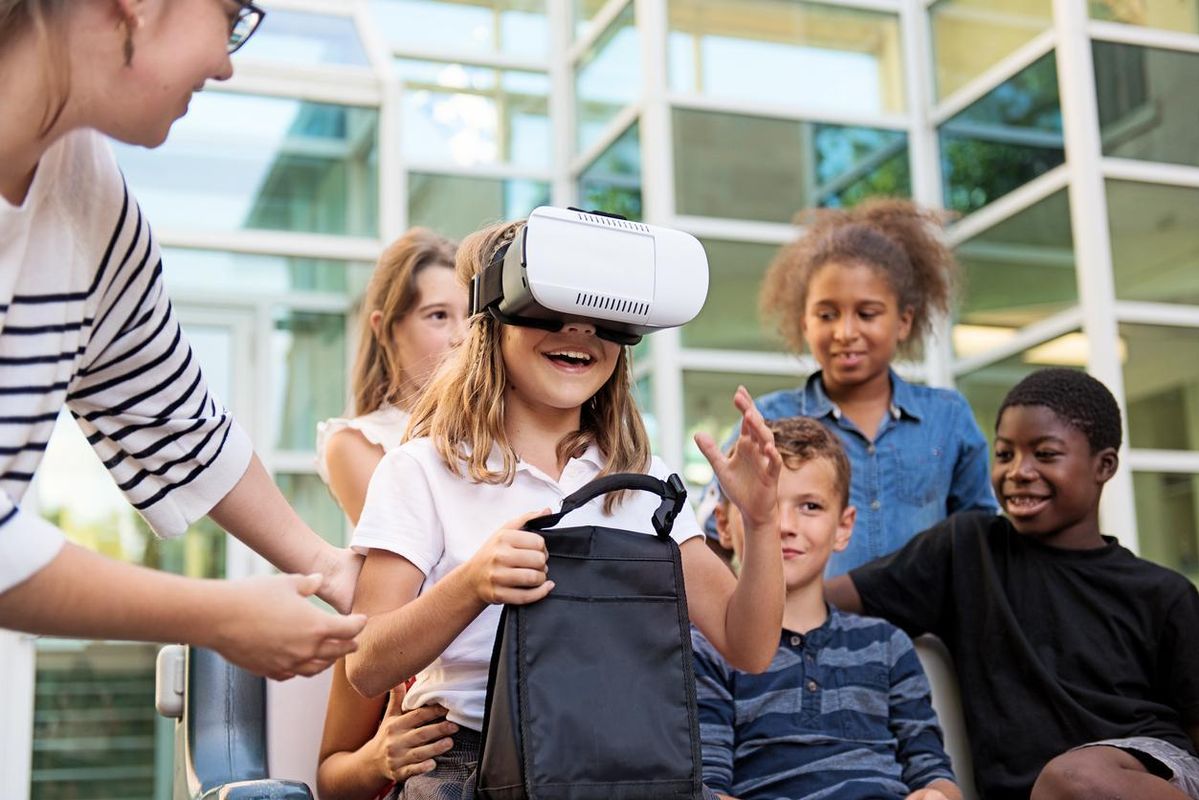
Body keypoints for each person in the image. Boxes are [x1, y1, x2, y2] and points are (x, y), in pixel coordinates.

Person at [343, 219, 785, 799]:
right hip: (468, 763)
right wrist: (472, 584)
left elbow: (746, 645)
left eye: (602, 316)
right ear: (492, 322)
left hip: (625, 762)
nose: (578, 329)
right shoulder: (421, 470)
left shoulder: (645, 487)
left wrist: (760, 521)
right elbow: (366, 665)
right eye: (550, 307)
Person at [0, 0, 365, 680]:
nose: (226, 64)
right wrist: (216, 615)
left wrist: (331, 567)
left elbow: (172, 421)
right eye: (230, 18)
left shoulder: (89, 197)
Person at [828, 368, 1199, 800]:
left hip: (1146, 771)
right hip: (1036, 790)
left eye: (1045, 454)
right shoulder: (966, 550)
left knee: (1074, 779)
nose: (1019, 471)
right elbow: (818, 602)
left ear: (1104, 465)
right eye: (1005, 454)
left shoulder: (1163, 593)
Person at [700, 199, 997, 576]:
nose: (845, 332)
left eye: (867, 314)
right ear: (804, 323)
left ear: (904, 321)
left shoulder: (947, 418)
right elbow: (712, 538)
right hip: (797, 632)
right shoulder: (767, 422)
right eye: (827, 315)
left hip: (924, 635)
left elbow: (980, 542)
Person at [695, 416, 960, 800]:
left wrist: (936, 796)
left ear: (844, 527)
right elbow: (706, 789)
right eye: (764, 504)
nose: (784, 525)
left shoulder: (887, 646)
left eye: (810, 506)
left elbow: (934, 773)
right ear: (723, 523)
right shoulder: (707, 650)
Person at [316, 228, 465, 800]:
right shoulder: (365, 448)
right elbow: (412, 557)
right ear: (384, 329)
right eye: (436, 316)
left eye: (469, 319)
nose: (459, 339)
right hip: (408, 639)